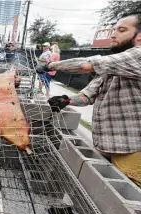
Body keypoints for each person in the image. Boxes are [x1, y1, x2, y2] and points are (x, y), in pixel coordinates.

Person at [36, 12, 141, 187]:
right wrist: (67, 100)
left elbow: (86, 65)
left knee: (122, 207)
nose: (113, 34)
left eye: (122, 30)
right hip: (108, 145)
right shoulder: (114, 66)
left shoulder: (137, 56)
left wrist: (50, 66)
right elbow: (87, 95)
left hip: (133, 152)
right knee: (102, 193)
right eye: (114, 29)